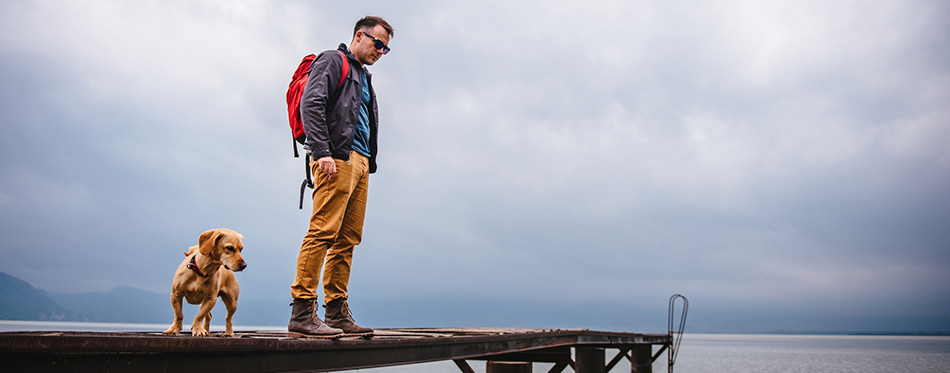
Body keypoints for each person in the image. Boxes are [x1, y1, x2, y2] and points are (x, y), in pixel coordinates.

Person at [288, 16, 393, 338]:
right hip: (336, 157)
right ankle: (302, 311)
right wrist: (322, 152)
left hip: (360, 162)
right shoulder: (333, 61)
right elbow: (313, 102)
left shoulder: (364, 76)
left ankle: (335, 312)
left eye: (386, 49)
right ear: (359, 36)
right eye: (378, 43)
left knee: (348, 238)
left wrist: (367, 162)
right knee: (323, 231)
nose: (381, 51)